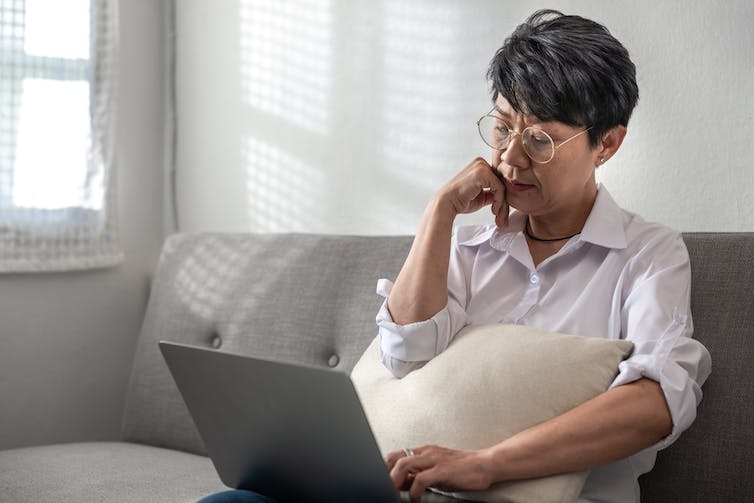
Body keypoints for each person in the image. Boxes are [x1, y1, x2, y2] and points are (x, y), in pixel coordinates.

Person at [198, 9, 710, 503]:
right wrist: (439, 213)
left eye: (539, 140)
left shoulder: (647, 255)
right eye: (504, 127)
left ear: (607, 145)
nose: (510, 157)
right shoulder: (470, 250)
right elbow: (403, 356)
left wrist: (486, 463)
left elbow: (658, 400)